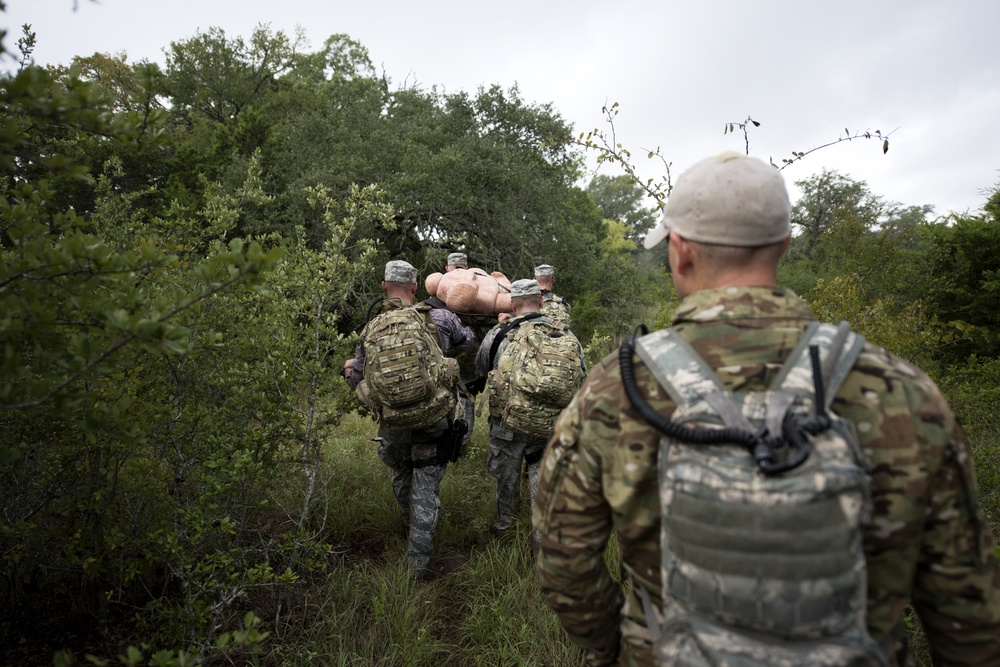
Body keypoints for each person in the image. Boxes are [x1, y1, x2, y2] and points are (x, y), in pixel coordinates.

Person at [532, 152, 1000, 666]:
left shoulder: (618, 388)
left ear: (680, 251)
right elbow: (967, 603)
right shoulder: (900, 389)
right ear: (784, 245)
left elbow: (563, 556)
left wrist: (617, 647)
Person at [346, 260, 475, 581]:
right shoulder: (440, 317)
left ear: (383, 286)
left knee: (403, 473)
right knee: (426, 482)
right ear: (416, 288)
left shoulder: (371, 328)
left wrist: (350, 374)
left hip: (394, 421)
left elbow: (360, 375)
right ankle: (420, 557)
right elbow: (468, 343)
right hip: (433, 414)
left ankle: (408, 527)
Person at [476, 279, 585, 543]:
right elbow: (582, 377)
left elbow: (481, 370)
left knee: (507, 479)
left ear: (512, 304)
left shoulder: (499, 334)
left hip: (508, 424)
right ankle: (542, 537)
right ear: (540, 302)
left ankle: (504, 530)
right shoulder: (565, 335)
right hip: (550, 423)